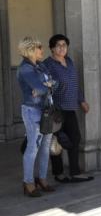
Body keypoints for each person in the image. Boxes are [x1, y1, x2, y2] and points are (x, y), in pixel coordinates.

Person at [44, 34, 94, 183]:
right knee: (57, 141)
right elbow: (47, 84)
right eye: (58, 45)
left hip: (71, 108)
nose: (62, 48)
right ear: (52, 48)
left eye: (64, 45)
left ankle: (75, 172)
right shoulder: (48, 63)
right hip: (56, 109)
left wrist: (82, 100)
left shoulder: (69, 61)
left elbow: (74, 84)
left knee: (75, 138)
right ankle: (59, 174)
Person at [17, 37, 58, 197]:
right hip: (32, 110)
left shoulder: (40, 65)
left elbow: (57, 82)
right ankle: (28, 181)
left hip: (46, 110)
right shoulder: (25, 68)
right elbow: (39, 89)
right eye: (39, 47)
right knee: (33, 146)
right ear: (30, 49)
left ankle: (42, 178)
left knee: (45, 146)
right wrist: (47, 85)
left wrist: (47, 85)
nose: (42, 49)